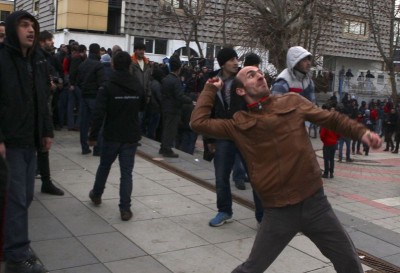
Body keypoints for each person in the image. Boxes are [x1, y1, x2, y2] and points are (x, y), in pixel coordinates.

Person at [190, 65, 381, 273]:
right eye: (251, 76)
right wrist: (210, 90)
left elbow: (330, 119)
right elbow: (198, 122)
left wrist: (362, 133)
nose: (259, 76)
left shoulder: (292, 101)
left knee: (349, 262)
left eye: (259, 73)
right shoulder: (238, 124)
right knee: (251, 269)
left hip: (315, 204)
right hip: (278, 211)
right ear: (241, 90)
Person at [0, 10, 54, 273]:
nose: (30, 30)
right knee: (16, 199)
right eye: (24, 25)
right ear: (13, 29)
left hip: (31, 140)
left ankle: (15, 246)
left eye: (32, 25)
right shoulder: (2, 58)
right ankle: (16, 256)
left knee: (26, 196)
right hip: (10, 141)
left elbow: (41, 100)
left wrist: (47, 131)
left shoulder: (35, 60)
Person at [88, 51, 145, 221]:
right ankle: (125, 209)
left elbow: (99, 112)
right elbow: (142, 106)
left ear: (113, 64)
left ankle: (97, 194)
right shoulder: (137, 85)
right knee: (126, 173)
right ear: (129, 65)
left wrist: (93, 135)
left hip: (112, 134)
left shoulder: (107, 85)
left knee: (104, 166)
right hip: (130, 135)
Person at [37, 30, 64, 195]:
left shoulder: (45, 57)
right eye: (50, 40)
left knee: (42, 145)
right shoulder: (37, 57)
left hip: (43, 105)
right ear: (43, 41)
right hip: (35, 107)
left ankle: (45, 180)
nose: (52, 43)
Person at [159, 55, 193, 158]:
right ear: (179, 68)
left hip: (165, 107)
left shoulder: (165, 79)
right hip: (174, 108)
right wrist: (190, 100)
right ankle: (167, 148)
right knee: (171, 130)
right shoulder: (176, 81)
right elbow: (179, 96)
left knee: (166, 128)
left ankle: (163, 146)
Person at [77, 43, 104, 155]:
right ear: (98, 52)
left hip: (84, 96)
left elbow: (78, 81)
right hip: (95, 97)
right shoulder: (99, 65)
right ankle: (97, 148)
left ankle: (84, 147)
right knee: (97, 122)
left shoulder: (82, 64)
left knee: (84, 123)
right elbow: (101, 83)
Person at [320, 105, 340, 178]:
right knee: (332, 159)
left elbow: (322, 135)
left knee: (326, 159)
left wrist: (324, 140)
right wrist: (335, 139)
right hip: (333, 143)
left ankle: (326, 173)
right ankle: (331, 173)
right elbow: (339, 134)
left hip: (327, 143)